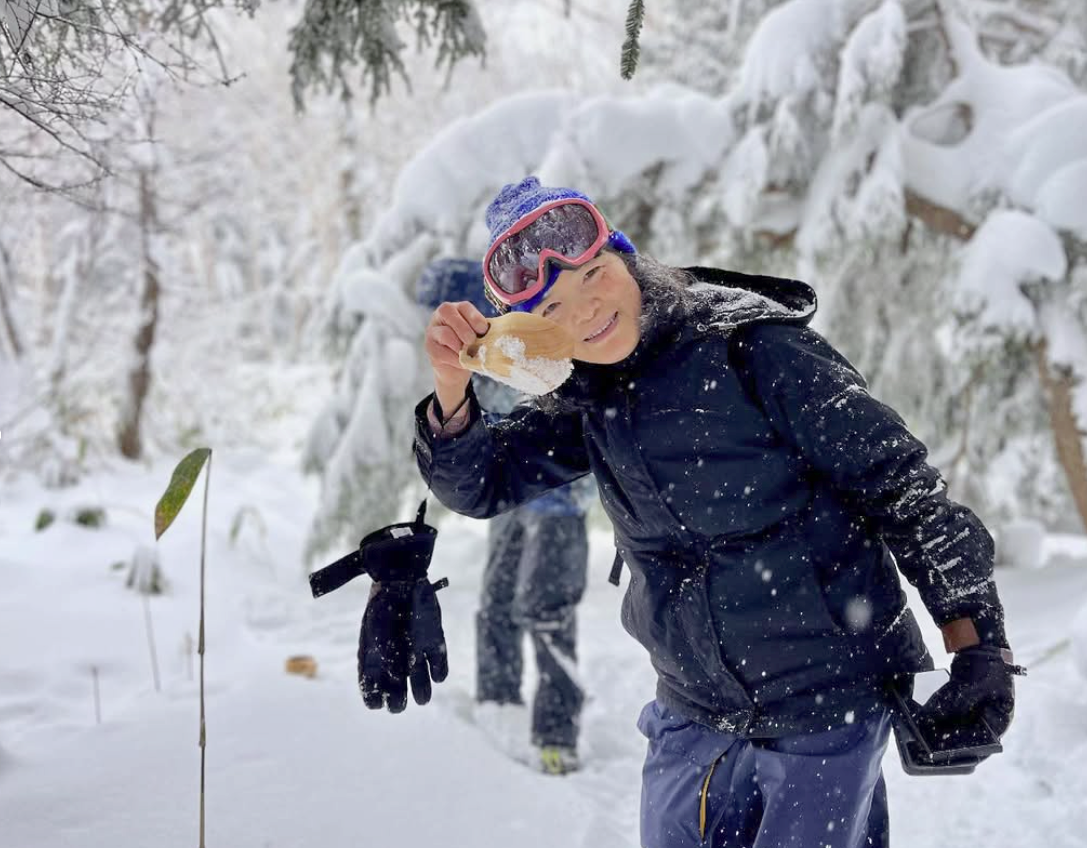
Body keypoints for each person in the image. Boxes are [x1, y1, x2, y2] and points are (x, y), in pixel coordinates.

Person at [412, 177, 1022, 847]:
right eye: (554, 308)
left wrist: (978, 648)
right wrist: (450, 390)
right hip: (692, 713)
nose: (585, 312)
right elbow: (481, 484)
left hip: (824, 709)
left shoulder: (754, 350)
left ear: (625, 257)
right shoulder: (586, 394)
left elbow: (904, 493)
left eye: (594, 276)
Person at [415, 258, 593, 776]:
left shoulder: (521, 333)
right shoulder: (474, 351)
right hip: (513, 498)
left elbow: (551, 407)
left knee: (548, 610)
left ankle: (558, 734)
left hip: (559, 500)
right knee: (496, 600)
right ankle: (496, 698)